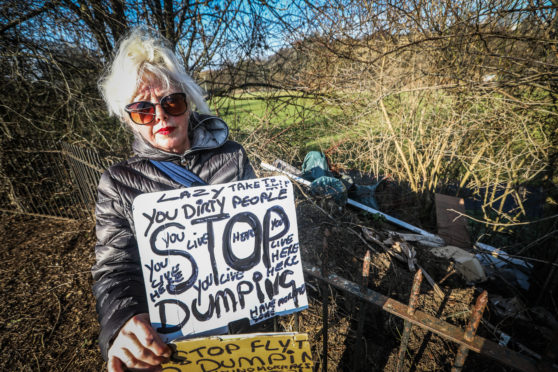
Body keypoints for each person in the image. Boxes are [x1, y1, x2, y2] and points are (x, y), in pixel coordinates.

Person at [92, 27, 255, 372]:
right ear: (128, 120)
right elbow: (114, 268)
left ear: (189, 102)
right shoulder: (119, 183)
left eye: (172, 102)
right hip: (175, 339)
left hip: (245, 330)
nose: (162, 117)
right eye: (143, 111)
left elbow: (257, 234)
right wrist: (124, 321)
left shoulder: (232, 156)